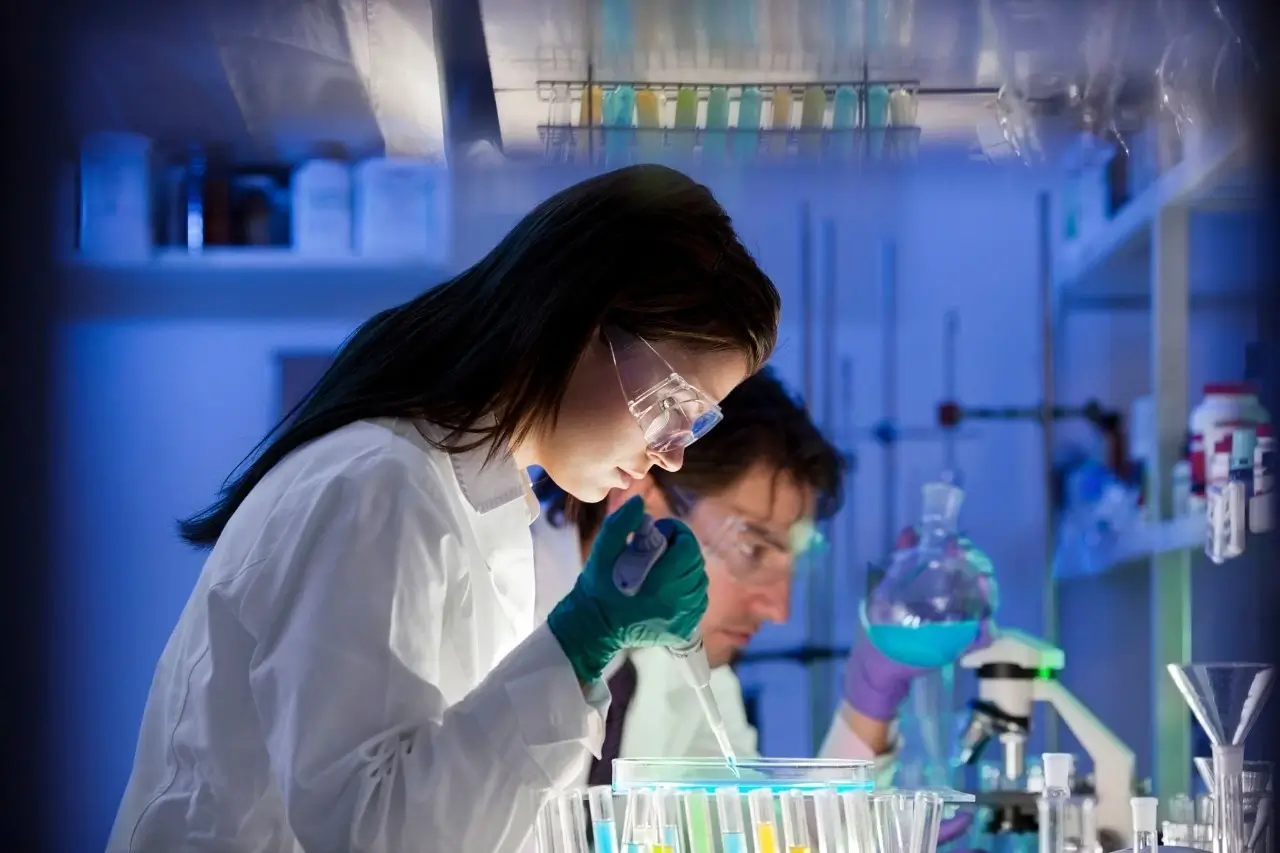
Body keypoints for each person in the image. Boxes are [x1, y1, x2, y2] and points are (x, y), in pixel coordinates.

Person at [108, 164, 782, 853]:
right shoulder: (379, 486)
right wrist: (582, 641)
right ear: (584, 324)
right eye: (672, 405)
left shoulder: (479, 502)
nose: (672, 454)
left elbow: (462, 809)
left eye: (693, 424)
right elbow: (371, 830)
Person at [533, 367, 989, 844]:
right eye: (753, 549)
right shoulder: (485, 603)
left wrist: (868, 701)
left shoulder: (687, 677)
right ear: (643, 502)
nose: (779, 611)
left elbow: (767, 835)